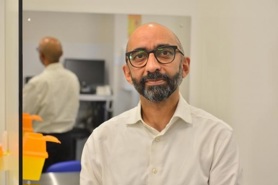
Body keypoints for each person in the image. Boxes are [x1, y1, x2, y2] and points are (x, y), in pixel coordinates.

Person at [80, 23, 242, 185]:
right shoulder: (101, 141)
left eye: (164, 53)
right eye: (139, 56)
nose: (152, 66)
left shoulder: (218, 138)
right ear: (128, 74)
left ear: (184, 67)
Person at [23, 36, 80, 172]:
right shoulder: (73, 78)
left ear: (42, 56)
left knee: (40, 180)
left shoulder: (38, 82)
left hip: (43, 143)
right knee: (63, 178)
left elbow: (25, 113)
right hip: (66, 141)